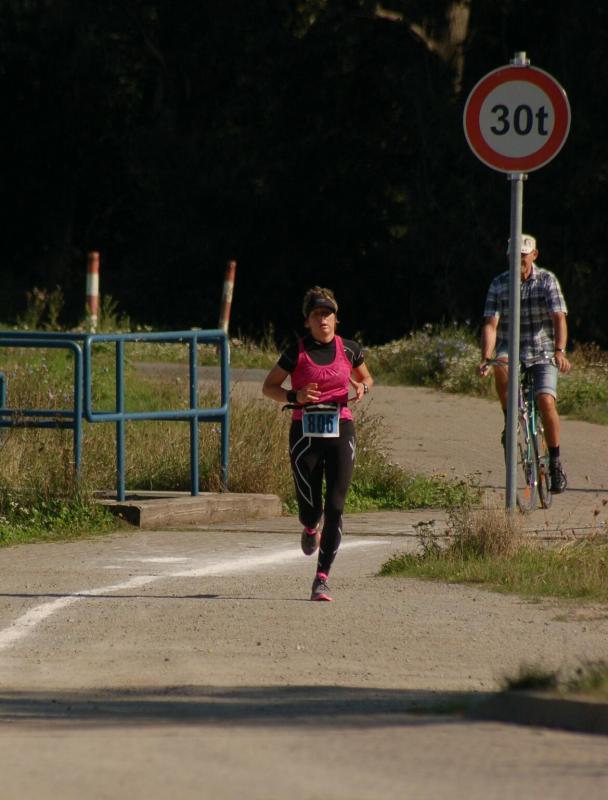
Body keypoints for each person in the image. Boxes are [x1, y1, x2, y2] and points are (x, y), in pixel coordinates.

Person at [262, 286, 373, 601]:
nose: (323, 320)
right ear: (307, 321)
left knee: (336, 506)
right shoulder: (296, 352)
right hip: (305, 434)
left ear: (336, 319)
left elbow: (367, 377)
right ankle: (311, 527)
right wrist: (294, 395)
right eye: (316, 315)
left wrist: (362, 387)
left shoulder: (349, 349)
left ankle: (322, 578)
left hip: (341, 428)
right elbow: (268, 387)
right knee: (311, 510)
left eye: (328, 314)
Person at [479, 233, 571, 493]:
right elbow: (491, 324)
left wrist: (560, 351)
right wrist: (486, 357)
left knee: (545, 400)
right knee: (500, 365)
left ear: (534, 255)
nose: (518, 260)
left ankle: (555, 462)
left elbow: (558, 317)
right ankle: (510, 419)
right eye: (514, 255)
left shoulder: (546, 280)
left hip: (542, 348)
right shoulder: (499, 284)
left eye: (523, 255)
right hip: (511, 345)